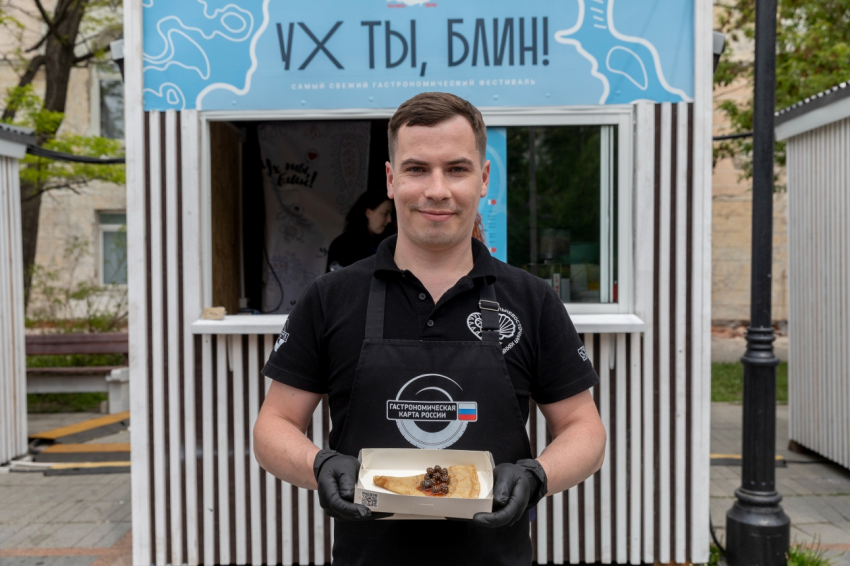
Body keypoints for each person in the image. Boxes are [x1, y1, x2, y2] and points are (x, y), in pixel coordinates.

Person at [254, 92, 606, 566]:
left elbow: (585, 429)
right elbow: (273, 426)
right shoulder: (331, 297)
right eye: (417, 169)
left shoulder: (532, 300)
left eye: (456, 169)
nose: (437, 190)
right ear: (391, 178)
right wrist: (319, 465)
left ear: (483, 179)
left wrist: (536, 475)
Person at [326, 192, 395, 272]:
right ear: (368, 213)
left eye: (390, 214)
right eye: (386, 213)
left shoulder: (383, 245)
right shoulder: (343, 245)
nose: (389, 220)